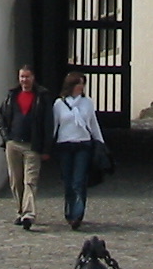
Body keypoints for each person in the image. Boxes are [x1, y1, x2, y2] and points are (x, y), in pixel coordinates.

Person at [0, 64, 53, 230]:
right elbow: (1, 119)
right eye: (22, 77)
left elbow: (48, 124)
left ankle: (29, 214)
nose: (24, 80)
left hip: (32, 145)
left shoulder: (41, 97)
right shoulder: (12, 96)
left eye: (27, 77)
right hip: (13, 143)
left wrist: (46, 148)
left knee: (30, 180)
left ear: (33, 78)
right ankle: (20, 211)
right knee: (16, 181)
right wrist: (7, 139)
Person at [53, 71, 104, 231]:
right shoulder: (59, 104)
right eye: (78, 83)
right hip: (65, 145)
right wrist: (47, 145)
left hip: (83, 145)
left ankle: (78, 214)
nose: (81, 86)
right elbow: (55, 126)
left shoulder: (87, 103)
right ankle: (69, 211)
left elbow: (93, 123)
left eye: (82, 83)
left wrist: (100, 142)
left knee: (79, 180)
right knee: (68, 181)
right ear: (71, 85)